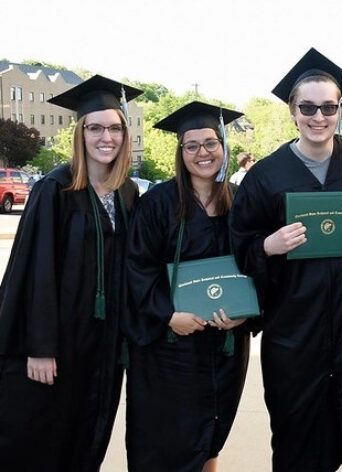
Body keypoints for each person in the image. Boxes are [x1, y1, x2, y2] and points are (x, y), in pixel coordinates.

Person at [229, 48, 342, 471]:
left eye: (328, 107)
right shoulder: (265, 174)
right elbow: (238, 243)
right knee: (296, 430)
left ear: (341, 108)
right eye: (307, 107)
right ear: (292, 110)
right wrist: (268, 246)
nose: (318, 117)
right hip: (293, 329)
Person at [0, 75, 141, 470]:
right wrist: (40, 346)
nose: (105, 138)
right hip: (59, 343)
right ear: (79, 133)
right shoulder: (54, 189)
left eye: (114, 128)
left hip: (104, 343)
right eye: (95, 128)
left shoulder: (128, 193)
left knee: (87, 432)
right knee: (43, 438)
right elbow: (34, 271)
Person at [125, 101, 250, 472]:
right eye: (191, 145)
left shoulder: (238, 201)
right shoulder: (157, 203)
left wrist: (244, 314)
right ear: (181, 151)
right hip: (170, 348)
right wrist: (167, 316)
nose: (202, 153)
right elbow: (137, 267)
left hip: (225, 344)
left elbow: (256, 264)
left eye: (210, 143)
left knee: (211, 432)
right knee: (167, 439)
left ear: (223, 146)